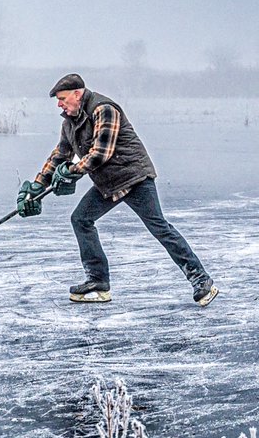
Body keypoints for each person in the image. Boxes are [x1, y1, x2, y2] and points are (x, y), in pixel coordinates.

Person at [16, 73, 218, 306]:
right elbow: (60, 154)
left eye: (62, 99)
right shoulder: (69, 124)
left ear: (77, 94)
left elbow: (101, 154)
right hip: (108, 183)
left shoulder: (104, 109)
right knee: (80, 219)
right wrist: (36, 186)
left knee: (159, 227)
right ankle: (98, 282)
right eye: (58, 101)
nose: (60, 104)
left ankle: (201, 279)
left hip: (134, 178)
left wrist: (72, 171)